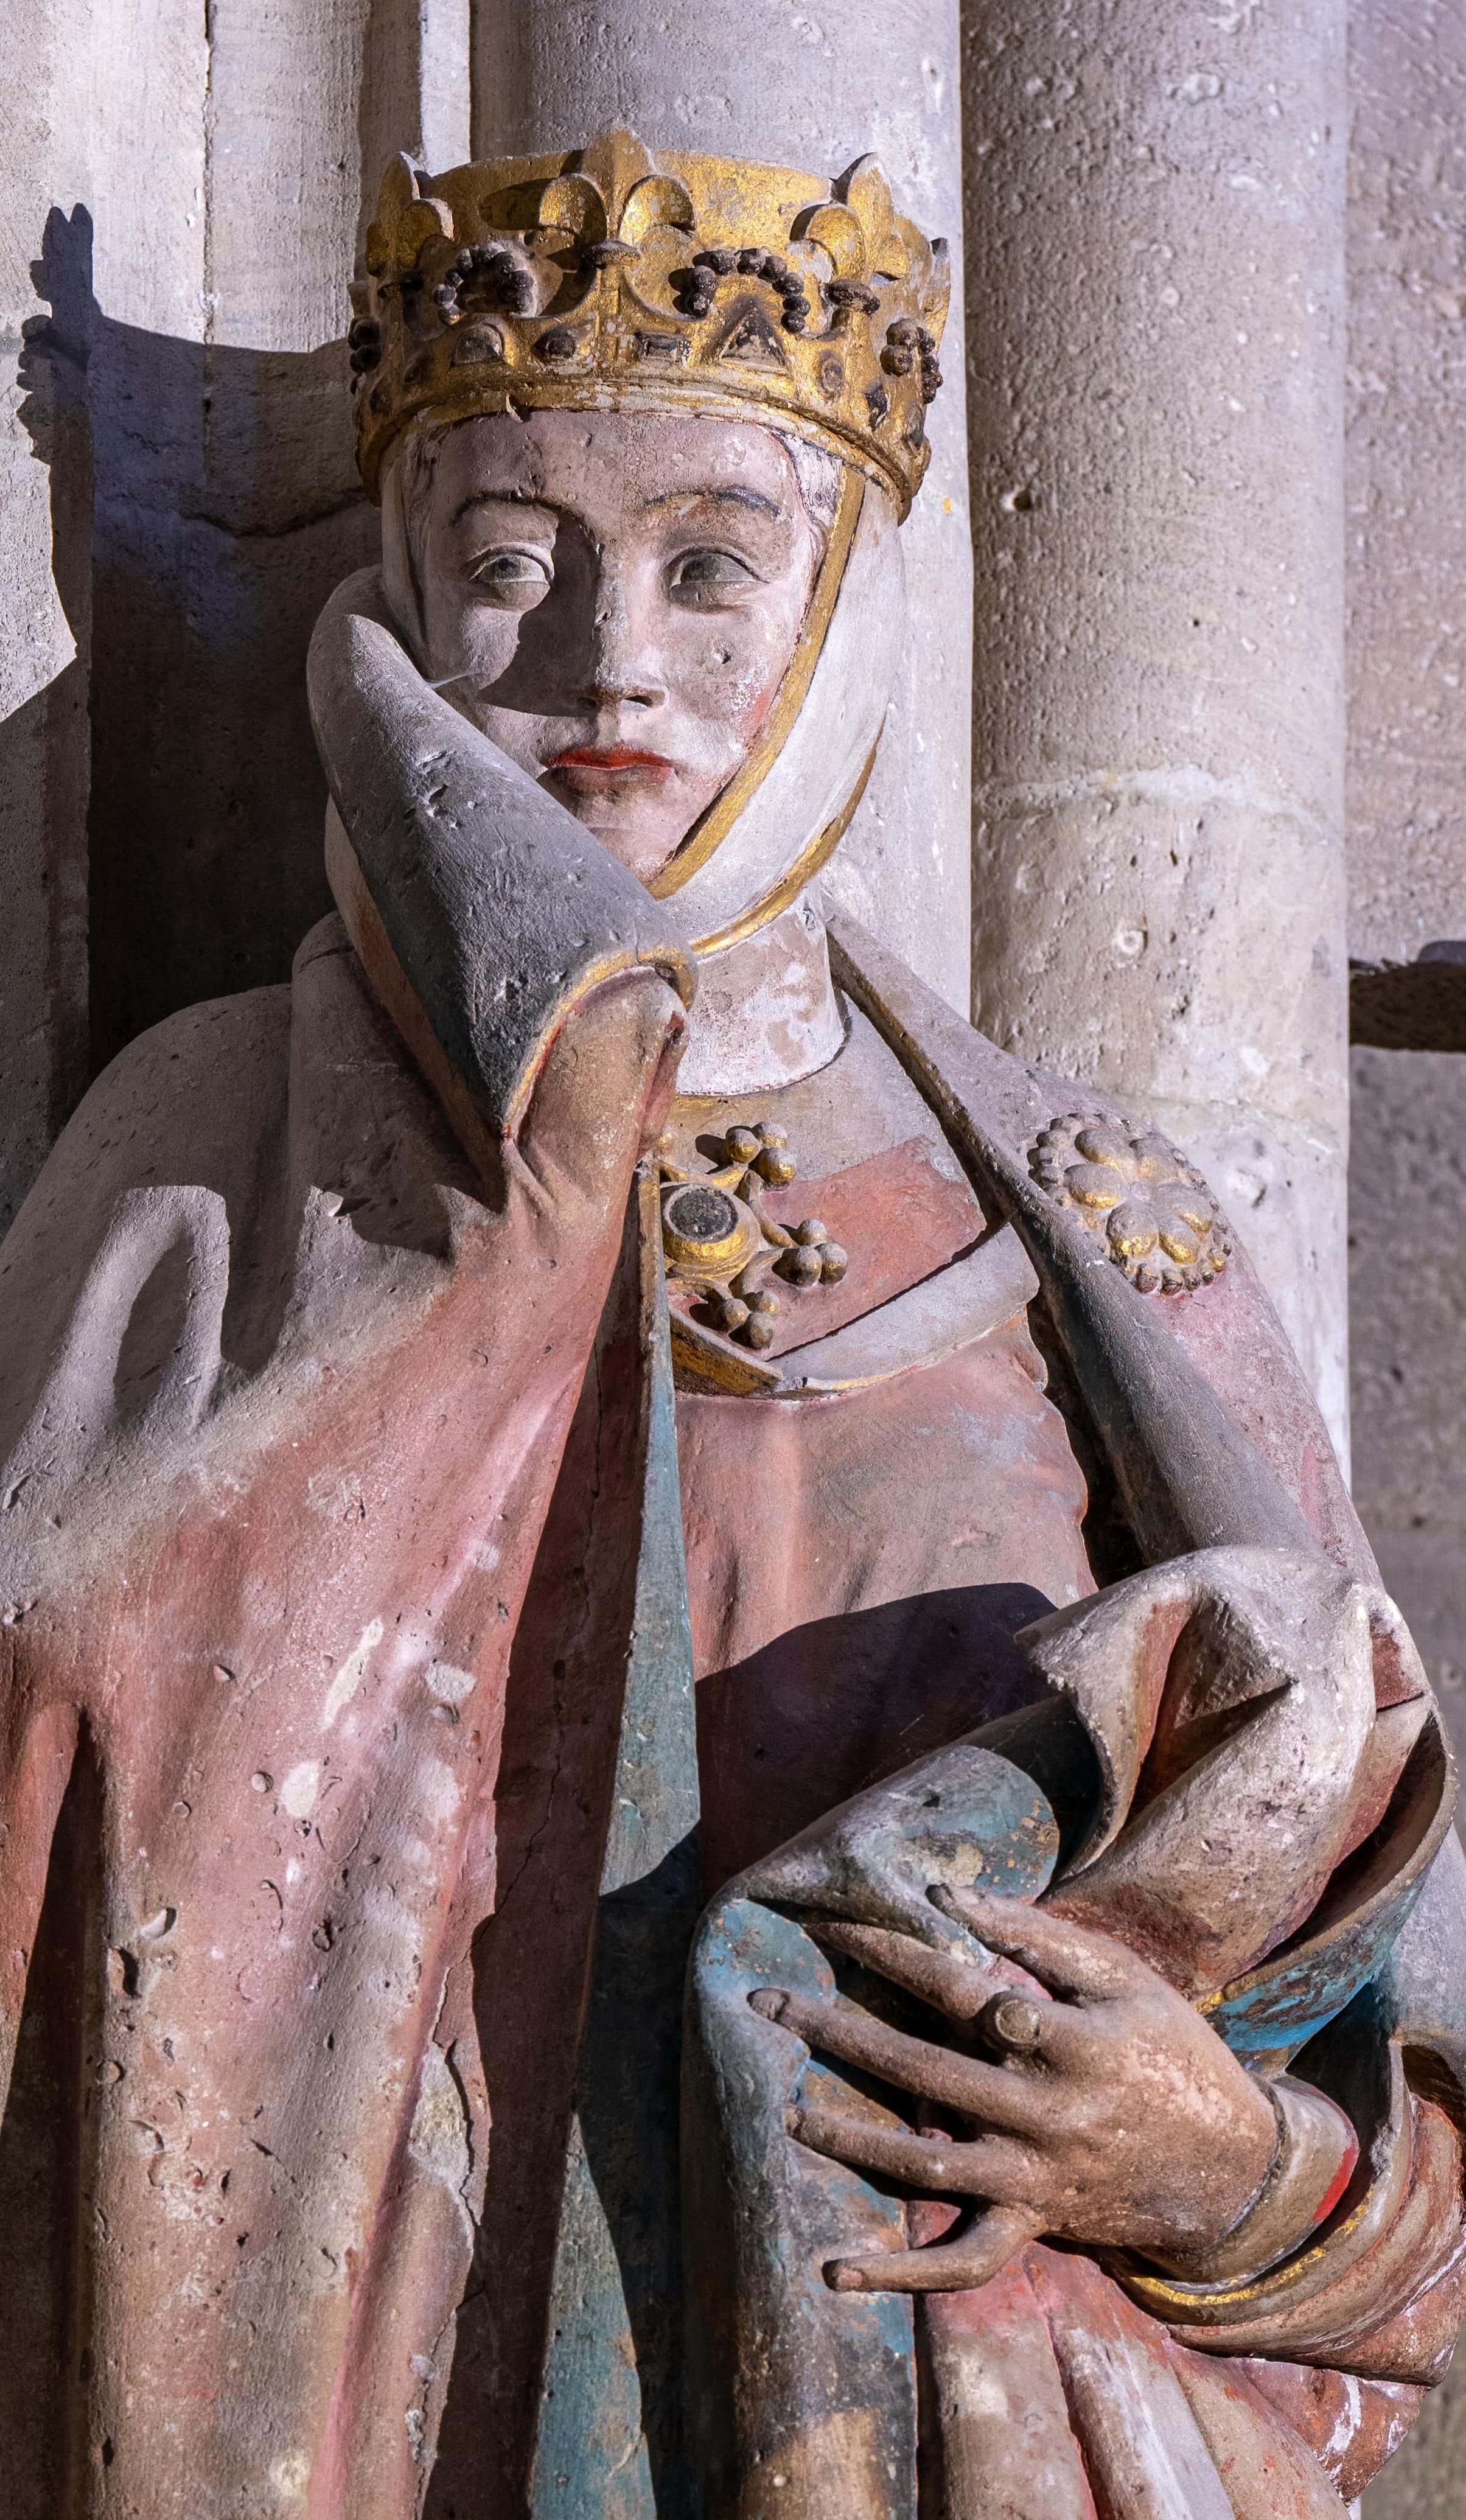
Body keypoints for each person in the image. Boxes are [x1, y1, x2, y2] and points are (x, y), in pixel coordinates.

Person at [0, 127, 1461, 2520]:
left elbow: (1403, 2139)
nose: (609, 661)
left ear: (854, 595)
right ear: (390, 595)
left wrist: (1216, 2169)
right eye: (508, 561)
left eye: (711, 562)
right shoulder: (217, 1150)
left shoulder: (1112, 1229)